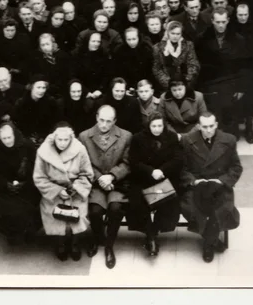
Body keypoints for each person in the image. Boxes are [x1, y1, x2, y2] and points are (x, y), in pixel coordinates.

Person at [180, 112, 243, 263]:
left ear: (216, 125)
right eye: (204, 127)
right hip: (197, 186)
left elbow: (236, 167)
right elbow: (182, 168)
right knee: (194, 209)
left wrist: (222, 181)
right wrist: (194, 181)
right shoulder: (187, 140)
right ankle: (212, 241)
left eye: (211, 126)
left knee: (220, 210)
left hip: (219, 185)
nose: (208, 130)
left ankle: (208, 242)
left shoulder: (229, 140)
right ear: (199, 126)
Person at [78, 105, 132, 269]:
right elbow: (83, 162)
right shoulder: (84, 136)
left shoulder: (126, 136)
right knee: (95, 211)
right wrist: (100, 177)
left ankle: (109, 246)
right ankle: (97, 238)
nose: (104, 125)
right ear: (96, 117)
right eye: (101, 120)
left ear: (114, 121)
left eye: (108, 121)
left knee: (116, 209)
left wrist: (113, 175)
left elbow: (128, 162)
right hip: (96, 182)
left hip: (117, 183)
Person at [33, 122, 94, 261]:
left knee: (79, 214)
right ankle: (60, 243)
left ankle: (75, 243)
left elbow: (87, 174)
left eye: (66, 140)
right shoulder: (43, 152)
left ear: (71, 138)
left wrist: (74, 188)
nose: (62, 143)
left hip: (75, 190)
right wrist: (58, 190)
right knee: (53, 215)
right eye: (59, 139)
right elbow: (39, 177)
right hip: (53, 191)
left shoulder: (80, 149)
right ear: (53, 137)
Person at [126, 111, 184, 256]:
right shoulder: (137, 138)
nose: (157, 129)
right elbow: (134, 161)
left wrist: (162, 170)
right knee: (138, 202)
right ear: (148, 125)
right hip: (144, 178)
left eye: (160, 126)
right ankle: (149, 234)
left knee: (170, 201)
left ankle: (153, 233)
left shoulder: (171, 137)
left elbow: (177, 159)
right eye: (154, 126)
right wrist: (151, 171)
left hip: (165, 178)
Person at [195, 8, 253, 141]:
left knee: (238, 102)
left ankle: (239, 129)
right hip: (212, 81)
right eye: (217, 22)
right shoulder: (202, 38)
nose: (221, 25)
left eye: (223, 22)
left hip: (232, 80)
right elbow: (200, 65)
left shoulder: (238, 39)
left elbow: (244, 65)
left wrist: (240, 88)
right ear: (212, 21)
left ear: (228, 21)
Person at [0, 122, 42, 244]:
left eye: (9, 137)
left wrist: (25, 181)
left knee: (29, 207)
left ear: (14, 135)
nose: (7, 141)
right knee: (5, 210)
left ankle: (27, 231)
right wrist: (5, 184)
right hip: (3, 189)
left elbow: (37, 170)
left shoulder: (28, 146)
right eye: (4, 138)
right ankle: (12, 234)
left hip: (26, 186)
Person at [152, 20, 200, 93]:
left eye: (178, 34)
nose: (175, 36)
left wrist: (185, 81)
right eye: (173, 33)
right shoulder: (158, 48)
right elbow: (157, 68)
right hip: (166, 86)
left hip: (186, 84)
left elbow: (193, 64)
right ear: (168, 33)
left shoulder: (188, 45)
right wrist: (169, 83)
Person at [13, 75, 61, 147]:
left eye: (43, 88)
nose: (41, 91)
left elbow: (54, 122)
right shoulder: (21, 103)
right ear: (31, 87)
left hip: (45, 138)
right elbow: (17, 124)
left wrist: (44, 136)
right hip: (25, 139)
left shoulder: (51, 102)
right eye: (38, 87)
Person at [0, 18, 32, 85]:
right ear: (2, 30)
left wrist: (20, 68)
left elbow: (27, 57)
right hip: (3, 73)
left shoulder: (24, 39)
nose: (10, 33)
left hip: (21, 72)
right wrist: (9, 69)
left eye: (12, 30)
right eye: (7, 30)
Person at [29, 33, 73, 99]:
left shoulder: (63, 56)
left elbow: (68, 75)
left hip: (62, 90)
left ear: (52, 44)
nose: (45, 47)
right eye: (42, 45)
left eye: (47, 44)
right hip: (44, 91)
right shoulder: (36, 57)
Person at [113, 27, 154, 93]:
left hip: (144, 85)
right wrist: (127, 87)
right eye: (128, 39)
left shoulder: (146, 49)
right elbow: (119, 72)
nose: (131, 42)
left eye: (134, 39)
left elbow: (150, 72)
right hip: (127, 86)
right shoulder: (120, 51)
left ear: (139, 38)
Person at [74, 32, 111, 101]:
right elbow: (74, 76)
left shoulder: (103, 55)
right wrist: (86, 92)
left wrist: (100, 90)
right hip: (81, 91)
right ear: (87, 41)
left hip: (99, 92)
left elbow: (107, 75)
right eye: (93, 41)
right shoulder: (78, 54)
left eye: (98, 41)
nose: (96, 44)